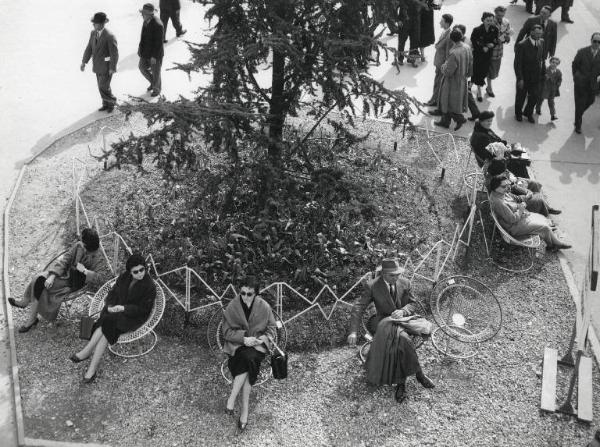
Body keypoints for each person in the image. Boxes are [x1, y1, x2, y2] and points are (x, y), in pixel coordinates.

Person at [347, 258, 435, 404]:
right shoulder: (372, 286)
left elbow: (413, 304)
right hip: (381, 321)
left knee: (401, 341)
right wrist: (353, 332)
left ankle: (402, 383)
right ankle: (418, 374)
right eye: (392, 275)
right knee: (403, 339)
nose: (396, 278)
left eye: (398, 275)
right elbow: (358, 307)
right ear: (383, 274)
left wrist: (403, 311)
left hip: (402, 322)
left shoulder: (405, 283)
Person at [70, 253, 156, 383]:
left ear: (145, 267)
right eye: (135, 271)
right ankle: (91, 367)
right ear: (130, 271)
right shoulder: (124, 277)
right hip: (116, 311)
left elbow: (143, 310)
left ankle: (88, 354)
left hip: (133, 317)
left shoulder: (149, 286)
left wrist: (123, 308)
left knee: (107, 324)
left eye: (142, 269)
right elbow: (113, 293)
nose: (140, 273)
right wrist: (110, 305)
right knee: (108, 324)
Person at [9, 228, 105, 333]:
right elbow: (66, 259)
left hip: (73, 282)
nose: (81, 244)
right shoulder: (79, 245)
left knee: (40, 282)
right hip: (63, 273)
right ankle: (26, 304)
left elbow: (100, 278)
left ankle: (30, 315)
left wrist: (85, 271)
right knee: (39, 278)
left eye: (83, 243)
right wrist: (52, 276)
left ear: (88, 246)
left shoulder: (99, 258)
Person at [223, 276, 276, 430]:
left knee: (250, 358)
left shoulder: (264, 306)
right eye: (243, 293)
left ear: (256, 294)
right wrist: (243, 339)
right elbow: (226, 332)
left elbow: (272, 328)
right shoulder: (233, 306)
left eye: (249, 294)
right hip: (238, 345)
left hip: (257, 347)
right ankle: (244, 410)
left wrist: (262, 340)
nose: (245, 296)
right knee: (248, 361)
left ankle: (232, 399)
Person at [489, 176, 571, 251]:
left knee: (542, 219)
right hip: (513, 227)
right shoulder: (499, 203)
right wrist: (520, 209)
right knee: (544, 227)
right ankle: (554, 244)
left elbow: (516, 199)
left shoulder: (501, 193)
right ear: (495, 187)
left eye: (508, 185)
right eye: (504, 186)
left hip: (519, 219)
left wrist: (524, 200)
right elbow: (512, 219)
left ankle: (554, 244)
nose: (507, 188)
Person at [485, 155, 561, 216]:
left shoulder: (498, 171)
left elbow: (510, 183)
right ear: (499, 172)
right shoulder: (494, 183)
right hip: (514, 199)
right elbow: (510, 195)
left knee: (534, 184)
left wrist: (523, 189)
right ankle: (542, 209)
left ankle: (543, 206)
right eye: (504, 171)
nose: (505, 171)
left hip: (514, 188)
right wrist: (525, 194)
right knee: (538, 199)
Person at [80, 12, 119, 113]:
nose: (93, 25)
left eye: (95, 23)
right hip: (97, 66)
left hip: (106, 67)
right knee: (100, 86)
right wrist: (84, 62)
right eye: (93, 23)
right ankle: (105, 104)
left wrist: (112, 68)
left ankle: (112, 102)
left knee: (103, 86)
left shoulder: (110, 36)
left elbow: (114, 54)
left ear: (102, 24)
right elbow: (89, 48)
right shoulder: (93, 33)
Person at [434, 29, 471, 131]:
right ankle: (445, 121)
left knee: (447, 102)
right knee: (453, 103)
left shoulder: (454, 53)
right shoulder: (467, 48)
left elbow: (448, 71)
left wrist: (443, 67)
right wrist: (468, 75)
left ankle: (459, 119)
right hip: (463, 80)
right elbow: (471, 62)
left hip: (452, 82)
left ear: (451, 39)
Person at [514, 25, 545, 123]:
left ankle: (528, 113)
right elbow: (517, 64)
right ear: (531, 32)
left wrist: (543, 73)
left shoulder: (541, 42)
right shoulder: (522, 45)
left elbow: (541, 59)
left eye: (540, 33)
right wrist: (520, 78)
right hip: (524, 76)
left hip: (536, 76)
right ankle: (518, 113)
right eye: (537, 33)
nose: (539, 35)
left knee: (535, 96)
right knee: (521, 97)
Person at [572, 33, 600, 134]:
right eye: (595, 41)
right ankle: (578, 124)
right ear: (591, 41)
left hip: (593, 85)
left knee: (590, 101)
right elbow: (575, 65)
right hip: (581, 83)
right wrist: (576, 77)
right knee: (580, 104)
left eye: (599, 42)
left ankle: (578, 115)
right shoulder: (582, 52)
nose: (596, 44)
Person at [425, 13, 454, 107]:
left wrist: (444, 66)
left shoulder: (449, 35)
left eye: (442, 21)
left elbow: (447, 52)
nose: (439, 22)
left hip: (442, 64)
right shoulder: (444, 32)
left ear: (447, 23)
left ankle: (434, 101)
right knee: (437, 82)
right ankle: (434, 100)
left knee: (438, 83)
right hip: (439, 63)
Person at [470, 12, 499, 102]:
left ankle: (470, 84)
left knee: (484, 71)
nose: (489, 22)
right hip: (478, 54)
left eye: (491, 20)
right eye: (487, 20)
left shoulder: (494, 29)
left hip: (488, 54)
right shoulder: (477, 30)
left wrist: (492, 45)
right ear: (483, 20)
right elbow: (473, 41)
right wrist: (483, 47)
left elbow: (496, 40)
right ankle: (479, 91)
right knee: (477, 70)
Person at [138, 3, 165, 97]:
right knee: (142, 68)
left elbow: (159, 43)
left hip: (155, 54)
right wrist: (139, 49)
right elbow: (143, 37)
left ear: (150, 14)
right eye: (142, 13)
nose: (142, 15)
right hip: (145, 52)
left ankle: (157, 89)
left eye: (144, 13)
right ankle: (153, 83)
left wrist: (154, 56)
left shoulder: (158, 25)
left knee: (156, 72)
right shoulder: (145, 21)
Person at [486, 6, 513, 98]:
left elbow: (508, 32)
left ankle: (474, 82)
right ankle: (489, 88)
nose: (500, 17)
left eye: (502, 15)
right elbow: (489, 37)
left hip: (499, 51)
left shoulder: (506, 21)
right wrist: (500, 39)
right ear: (495, 13)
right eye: (498, 15)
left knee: (494, 71)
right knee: (490, 70)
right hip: (490, 51)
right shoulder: (490, 22)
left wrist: (507, 37)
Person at [536, 56, 562, 120]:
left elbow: (559, 80)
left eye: (556, 63)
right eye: (553, 62)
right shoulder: (546, 70)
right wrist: (544, 77)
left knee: (551, 102)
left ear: (558, 64)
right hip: (544, 88)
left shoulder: (558, 72)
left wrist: (557, 85)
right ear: (550, 62)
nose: (554, 64)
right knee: (540, 100)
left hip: (552, 90)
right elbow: (540, 78)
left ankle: (553, 115)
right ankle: (537, 109)